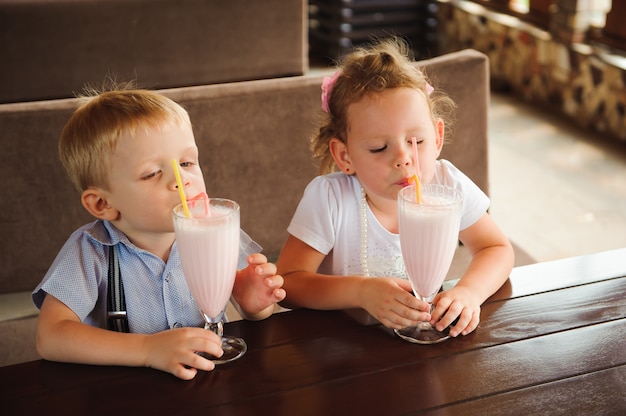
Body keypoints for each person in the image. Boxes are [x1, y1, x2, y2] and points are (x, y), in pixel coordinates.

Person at [33, 86, 286, 380]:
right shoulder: (91, 251)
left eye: (187, 163)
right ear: (103, 203)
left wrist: (253, 305)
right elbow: (50, 337)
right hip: (127, 392)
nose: (182, 181)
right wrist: (147, 349)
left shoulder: (218, 227)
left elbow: (258, 314)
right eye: (152, 173)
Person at [276, 37, 514, 337]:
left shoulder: (448, 185)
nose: (403, 159)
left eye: (418, 142)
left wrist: (469, 292)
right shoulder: (329, 198)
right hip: (343, 347)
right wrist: (361, 292)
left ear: (438, 138)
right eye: (378, 148)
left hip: (424, 336)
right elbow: (288, 282)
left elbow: (496, 248)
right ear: (344, 156)